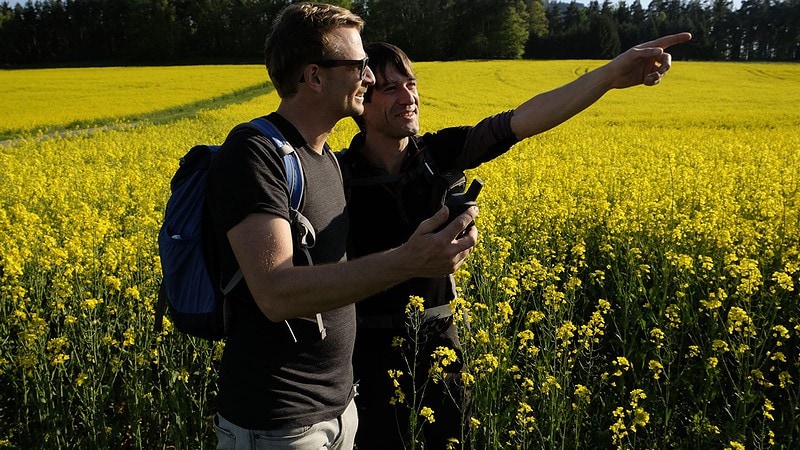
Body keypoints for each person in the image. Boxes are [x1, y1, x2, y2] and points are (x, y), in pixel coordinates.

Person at [339, 33, 693, 449]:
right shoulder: (337, 174)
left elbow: (522, 120)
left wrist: (609, 76)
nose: (408, 97)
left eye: (411, 84)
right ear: (361, 98)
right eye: (390, 88)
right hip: (365, 355)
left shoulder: (438, 154)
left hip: (440, 345)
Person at [204, 3, 478, 449]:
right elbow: (275, 293)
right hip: (280, 422)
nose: (368, 78)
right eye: (360, 66)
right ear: (314, 77)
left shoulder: (327, 159)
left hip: (339, 410)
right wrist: (410, 260)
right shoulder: (255, 153)